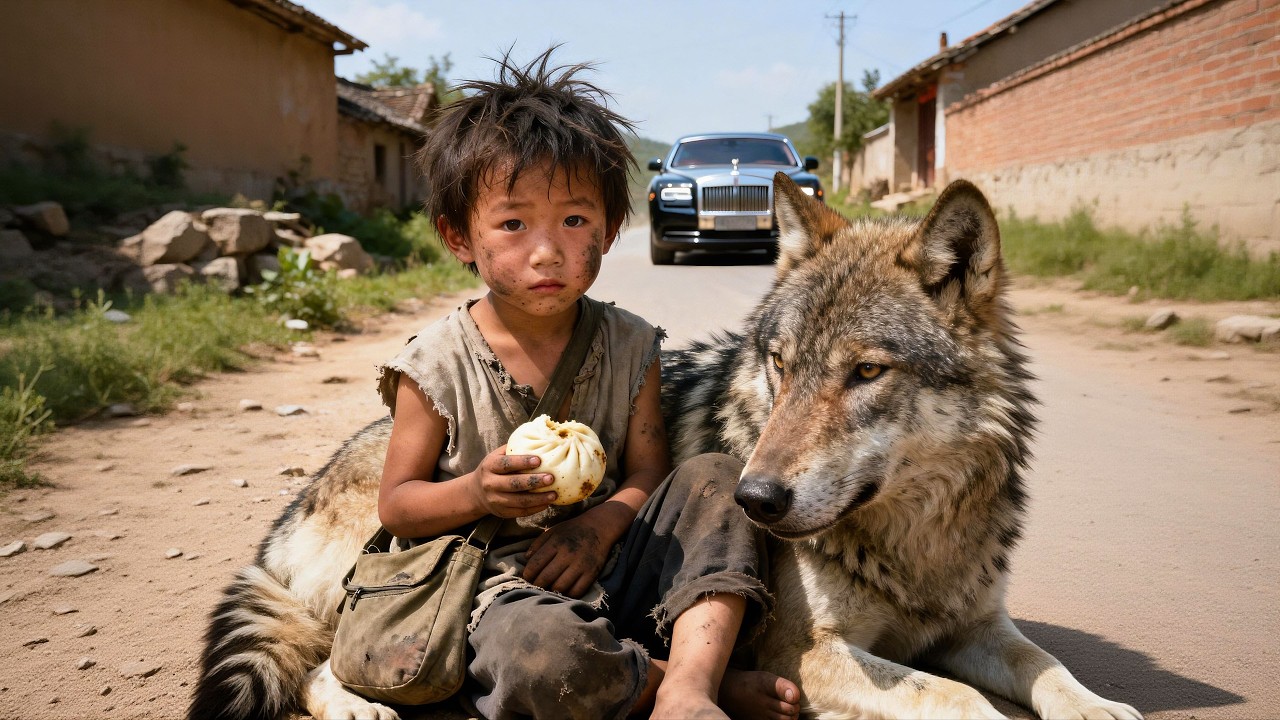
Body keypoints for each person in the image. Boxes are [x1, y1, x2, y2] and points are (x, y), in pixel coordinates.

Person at [375, 49, 800, 720]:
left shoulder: (630, 344)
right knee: (542, 653)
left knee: (719, 476)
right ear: (458, 238)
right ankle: (668, 678)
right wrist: (476, 492)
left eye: (574, 221)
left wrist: (602, 526)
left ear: (610, 229)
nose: (547, 251)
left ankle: (689, 687)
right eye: (512, 224)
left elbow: (649, 470)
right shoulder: (435, 364)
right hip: (498, 590)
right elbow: (397, 507)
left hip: (617, 562)